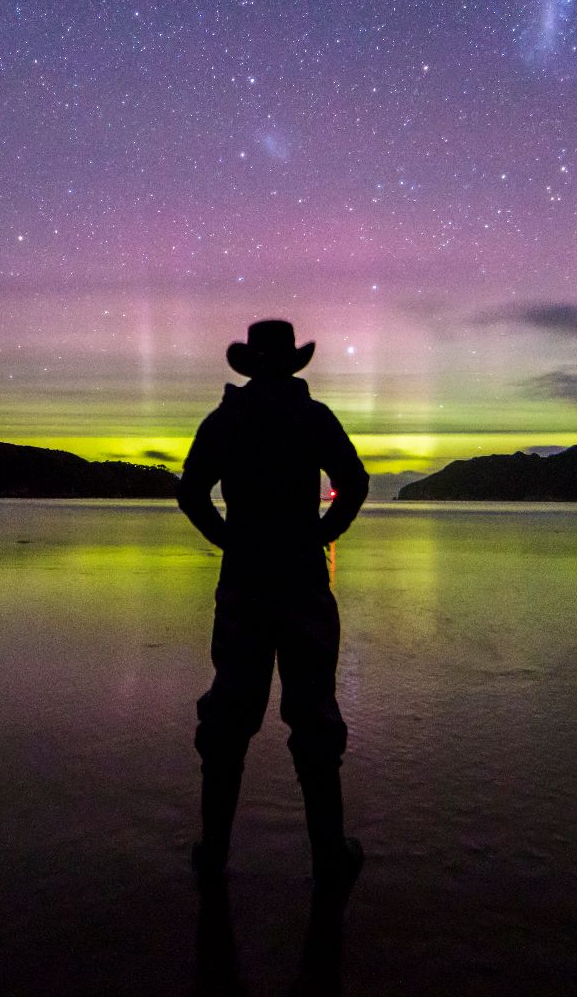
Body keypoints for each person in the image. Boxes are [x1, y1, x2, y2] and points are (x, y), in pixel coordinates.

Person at [178, 319, 369, 894]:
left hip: (245, 582)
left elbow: (191, 493)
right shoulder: (312, 416)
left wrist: (230, 541)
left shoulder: (227, 419)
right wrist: (319, 535)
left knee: (229, 716)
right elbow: (355, 483)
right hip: (302, 581)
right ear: (289, 364)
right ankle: (329, 855)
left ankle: (214, 852)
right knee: (313, 715)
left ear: (251, 365)